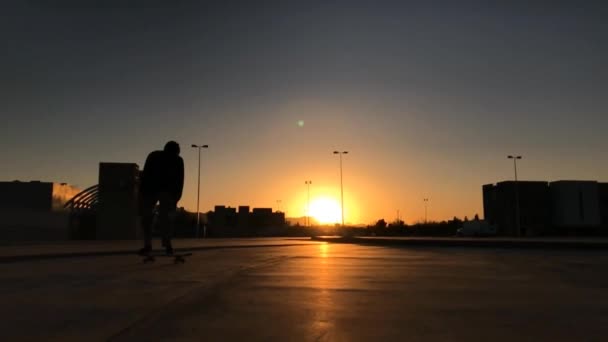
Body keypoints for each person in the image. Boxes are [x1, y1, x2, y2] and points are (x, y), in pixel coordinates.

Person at [139, 141, 184, 255]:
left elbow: (179, 180)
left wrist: (176, 197)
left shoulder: (155, 156)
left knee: (155, 218)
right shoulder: (174, 159)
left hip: (157, 191)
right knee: (159, 218)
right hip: (157, 191)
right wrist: (176, 197)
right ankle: (161, 245)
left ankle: (156, 245)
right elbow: (180, 181)